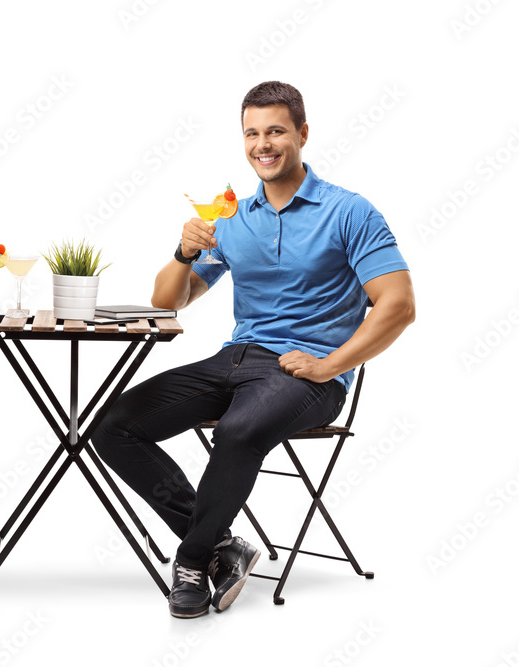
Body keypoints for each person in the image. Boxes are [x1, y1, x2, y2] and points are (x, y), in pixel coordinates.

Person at [92, 81, 416, 618]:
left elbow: (398, 305)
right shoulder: (231, 217)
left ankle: (194, 561)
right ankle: (222, 543)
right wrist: (182, 250)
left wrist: (331, 365)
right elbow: (168, 301)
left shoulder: (349, 211)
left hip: (308, 377)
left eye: (275, 131)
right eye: (252, 133)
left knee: (238, 429)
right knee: (112, 425)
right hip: (236, 360)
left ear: (302, 134)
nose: (262, 144)